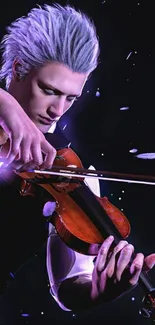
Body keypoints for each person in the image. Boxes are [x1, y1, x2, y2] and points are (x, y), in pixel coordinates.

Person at [0, 2, 154, 313]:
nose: (58, 110)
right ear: (17, 69)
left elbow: (68, 286)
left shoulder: (73, 173)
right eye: (49, 90)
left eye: (71, 97)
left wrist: (97, 291)